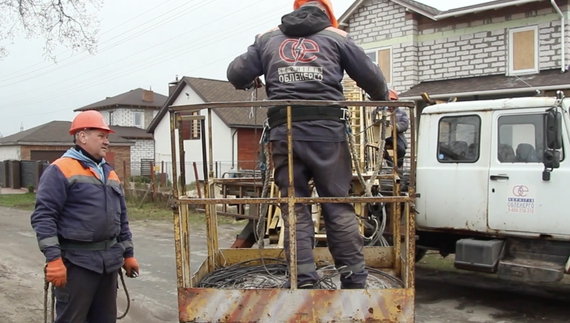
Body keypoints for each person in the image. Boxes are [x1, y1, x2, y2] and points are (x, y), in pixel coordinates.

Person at [227, 0, 389, 289]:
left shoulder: (267, 38)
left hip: (284, 132)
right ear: (327, 13)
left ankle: (302, 280)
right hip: (328, 134)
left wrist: (256, 72)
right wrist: (382, 97)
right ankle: (354, 280)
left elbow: (236, 74)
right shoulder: (337, 37)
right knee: (337, 206)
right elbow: (373, 79)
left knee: (295, 206)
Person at [30, 110, 139, 323]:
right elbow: (44, 217)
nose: (107, 142)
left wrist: (128, 254)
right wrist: (53, 259)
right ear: (82, 136)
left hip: (108, 265)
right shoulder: (60, 170)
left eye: (107, 137)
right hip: (77, 265)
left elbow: (121, 218)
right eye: (101, 136)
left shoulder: (109, 173)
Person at [373, 89, 409, 168]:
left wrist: (394, 127)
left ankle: (398, 166)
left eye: (393, 103)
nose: (390, 106)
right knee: (380, 148)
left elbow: (405, 124)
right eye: (388, 103)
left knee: (401, 149)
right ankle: (390, 164)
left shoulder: (401, 112)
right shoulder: (377, 111)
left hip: (396, 135)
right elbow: (372, 122)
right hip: (382, 135)